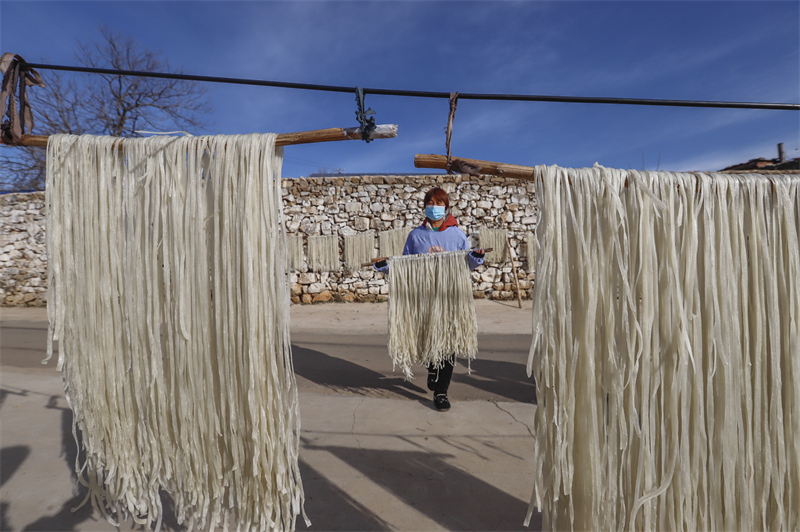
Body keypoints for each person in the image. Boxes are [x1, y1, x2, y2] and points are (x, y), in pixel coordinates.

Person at [375, 187, 484, 411]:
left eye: (438, 203)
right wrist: (387, 268)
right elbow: (405, 267)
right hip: (423, 298)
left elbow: (466, 266)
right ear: (425, 206)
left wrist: (476, 258)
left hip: (450, 298)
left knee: (448, 341)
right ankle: (432, 366)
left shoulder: (457, 234)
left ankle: (442, 392)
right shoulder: (416, 235)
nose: (434, 207)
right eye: (430, 202)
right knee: (428, 338)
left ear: (446, 207)